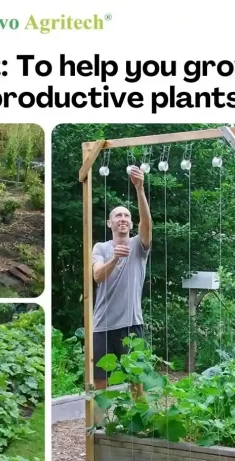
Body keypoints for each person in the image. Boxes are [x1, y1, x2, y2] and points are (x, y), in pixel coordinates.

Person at [90, 166, 151, 401]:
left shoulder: (139, 245)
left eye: (127, 216)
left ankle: (142, 426)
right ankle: (98, 427)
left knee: (136, 380)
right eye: (118, 215)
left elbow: (147, 223)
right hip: (102, 325)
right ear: (110, 223)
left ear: (132, 224)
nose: (123, 219)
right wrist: (115, 256)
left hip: (131, 323)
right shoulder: (101, 248)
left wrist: (139, 187)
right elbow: (97, 276)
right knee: (100, 380)